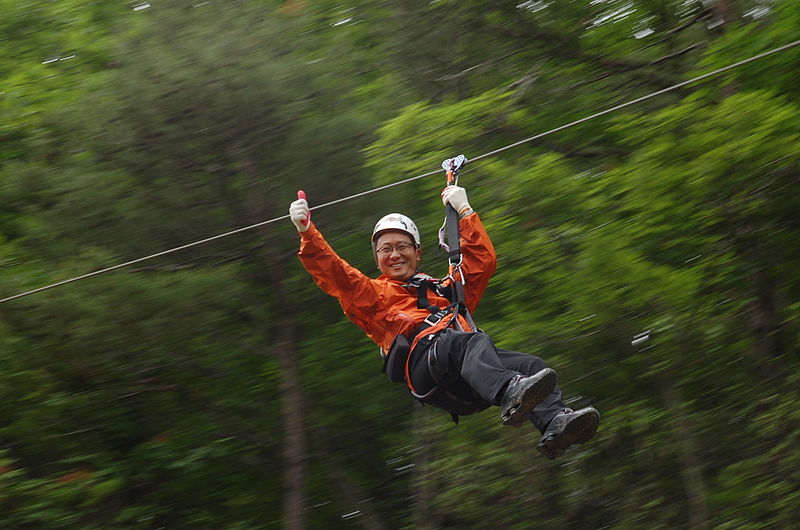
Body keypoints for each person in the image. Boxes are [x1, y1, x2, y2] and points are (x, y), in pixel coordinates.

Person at [288, 185, 598, 459]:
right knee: (465, 341)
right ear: (377, 259)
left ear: (417, 253)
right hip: (428, 370)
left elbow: (481, 264)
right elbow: (336, 274)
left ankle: (556, 427)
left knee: (531, 365)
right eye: (386, 250)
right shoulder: (373, 294)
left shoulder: (444, 289)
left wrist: (464, 211)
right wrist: (306, 231)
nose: (395, 255)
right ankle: (511, 391)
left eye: (402, 247)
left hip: (469, 380)